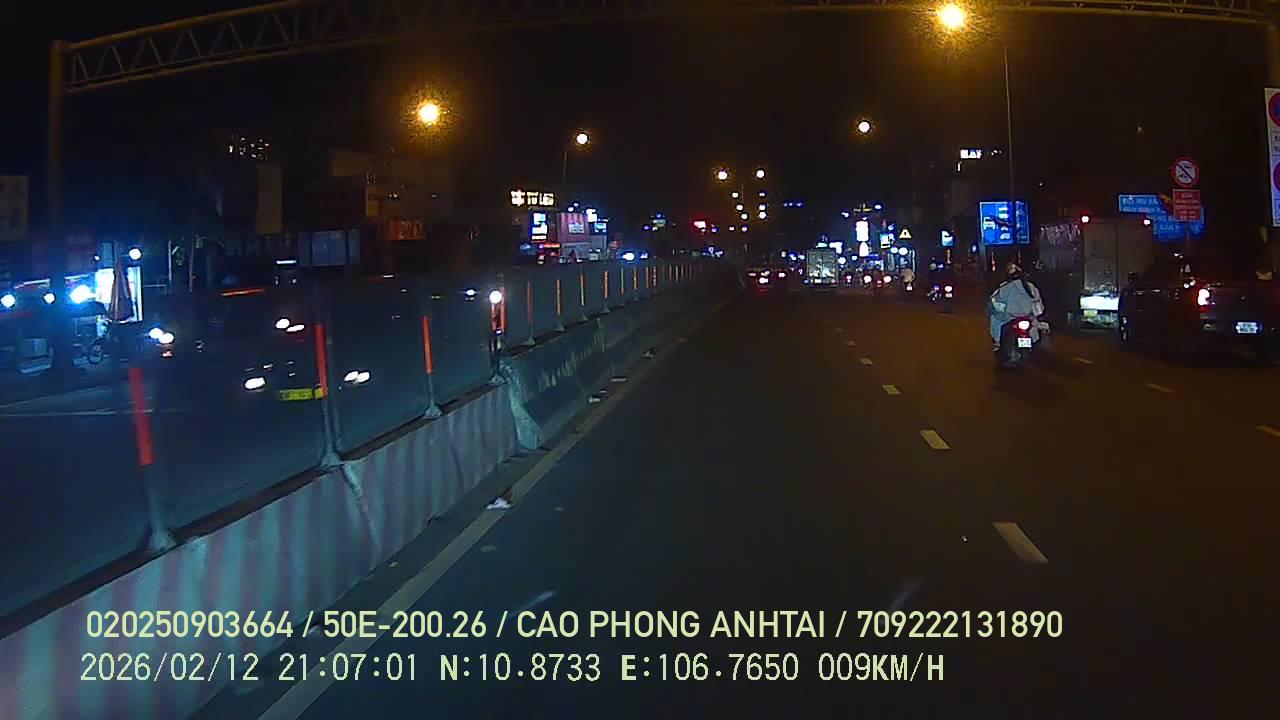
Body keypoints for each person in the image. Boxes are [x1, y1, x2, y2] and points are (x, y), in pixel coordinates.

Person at [988, 262, 1044, 351]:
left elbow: (996, 301)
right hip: (1027, 316)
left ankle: (997, 342)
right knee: (1035, 325)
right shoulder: (1031, 286)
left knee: (995, 319)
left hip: (1010, 316)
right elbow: (1038, 303)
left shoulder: (1005, 287)